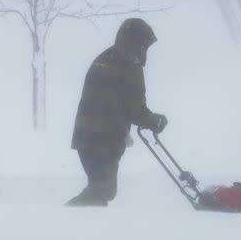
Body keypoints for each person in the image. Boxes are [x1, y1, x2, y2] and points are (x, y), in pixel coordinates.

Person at [66, 18, 167, 207]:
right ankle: (64, 219)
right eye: (145, 45)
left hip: (86, 136)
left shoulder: (106, 57)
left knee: (100, 189)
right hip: (105, 139)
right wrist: (154, 121)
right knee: (101, 190)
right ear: (138, 42)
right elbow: (134, 107)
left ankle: (79, 223)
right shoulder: (130, 64)